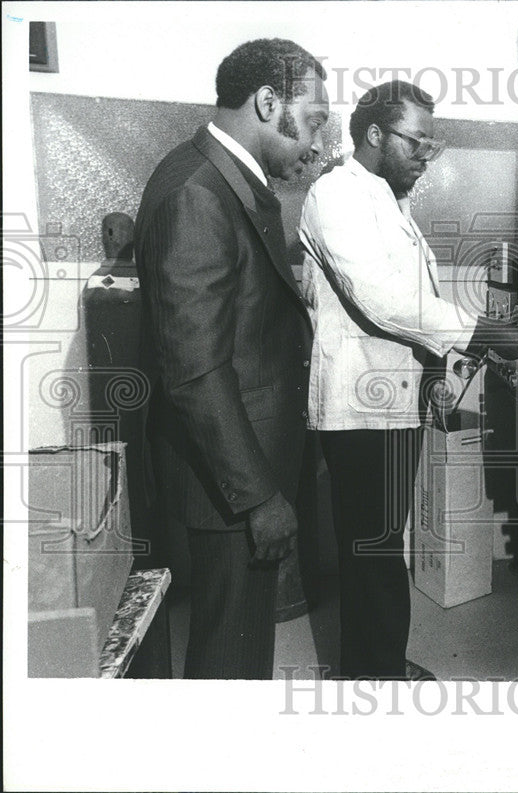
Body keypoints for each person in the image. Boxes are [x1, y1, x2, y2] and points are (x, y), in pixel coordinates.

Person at [298, 80, 518, 679]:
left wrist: (436, 369)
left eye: (432, 146)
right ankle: (375, 679)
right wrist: (481, 333)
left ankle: (372, 665)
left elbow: (417, 298)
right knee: (375, 549)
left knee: (379, 545)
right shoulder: (336, 195)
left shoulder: (387, 199)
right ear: (375, 135)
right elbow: (382, 301)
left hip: (391, 398)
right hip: (360, 405)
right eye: (416, 142)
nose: (425, 158)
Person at [134, 39, 330, 679]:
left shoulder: (226, 178)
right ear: (269, 102)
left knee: (238, 650)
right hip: (230, 488)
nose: (317, 143)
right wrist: (259, 500)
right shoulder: (198, 189)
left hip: (238, 468)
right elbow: (194, 370)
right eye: (316, 118)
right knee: (230, 658)